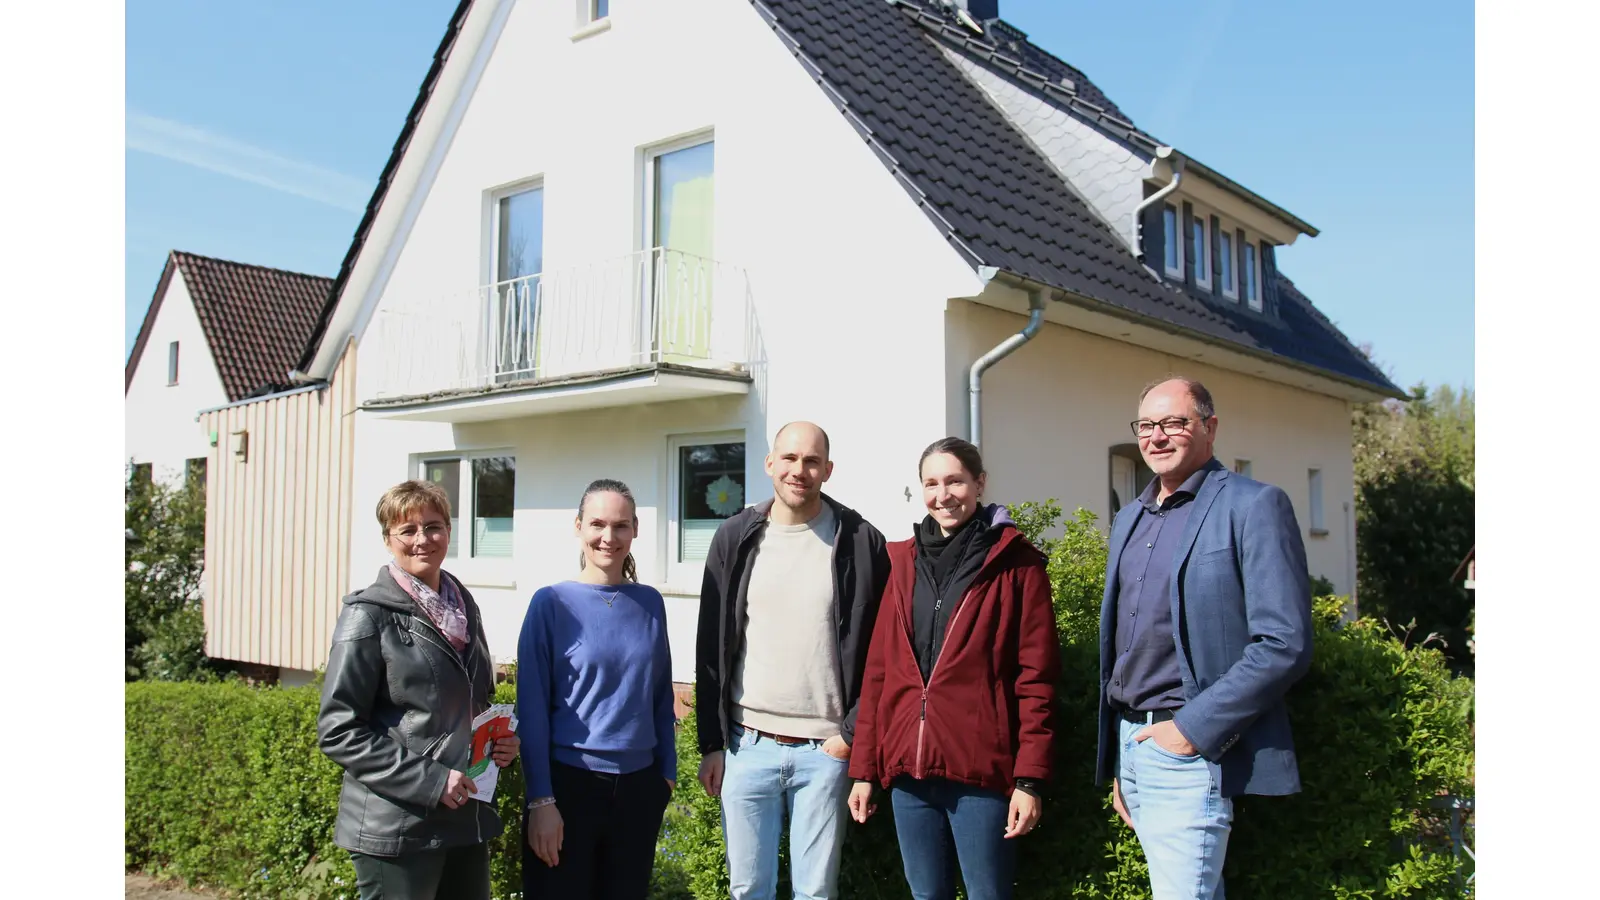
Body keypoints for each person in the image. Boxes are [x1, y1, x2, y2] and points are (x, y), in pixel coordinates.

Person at [1099, 378, 1314, 900]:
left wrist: (1190, 730)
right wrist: (1122, 756)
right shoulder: (1130, 517)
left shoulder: (1254, 505)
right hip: (1135, 743)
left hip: (1191, 745)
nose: (1157, 437)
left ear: (1210, 427)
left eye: (1174, 423)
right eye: (1147, 426)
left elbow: (1284, 641)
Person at [846, 437, 1059, 900]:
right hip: (908, 777)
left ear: (979, 484)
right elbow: (879, 673)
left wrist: (1029, 780)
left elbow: (1036, 680)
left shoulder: (1016, 565)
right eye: (931, 483)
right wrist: (864, 770)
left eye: (955, 481)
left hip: (980, 774)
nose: (943, 495)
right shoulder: (901, 561)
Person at [694, 422, 891, 900]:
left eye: (810, 460)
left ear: (828, 469)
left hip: (824, 753)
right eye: (788, 458)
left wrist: (852, 738)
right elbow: (710, 647)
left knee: (816, 893)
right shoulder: (735, 537)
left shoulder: (860, 541)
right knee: (747, 890)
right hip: (747, 746)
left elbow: (882, 653)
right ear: (769, 464)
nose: (798, 470)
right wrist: (712, 744)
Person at [318, 480, 519, 900]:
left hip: (464, 817)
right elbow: (338, 730)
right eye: (407, 530)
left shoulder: (464, 607)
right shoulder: (366, 616)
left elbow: (469, 704)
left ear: (449, 530)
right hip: (398, 827)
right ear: (388, 540)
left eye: (433, 526)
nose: (422, 539)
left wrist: (498, 746)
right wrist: (430, 782)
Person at [518, 478, 677, 899]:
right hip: (569, 789)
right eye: (598, 524)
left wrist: (666, 777)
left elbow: (661, 694)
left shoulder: (649, 603)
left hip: (639, 789)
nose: (609, 537)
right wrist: (540, 800)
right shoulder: (550, 603)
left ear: (636, 530)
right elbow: (531, 709)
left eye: (621, 526)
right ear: (578, 526)